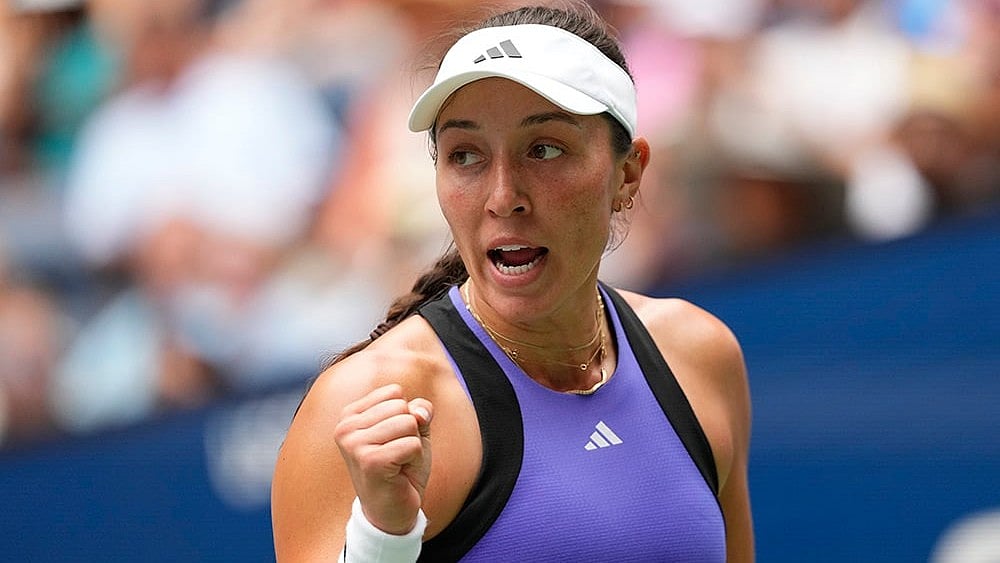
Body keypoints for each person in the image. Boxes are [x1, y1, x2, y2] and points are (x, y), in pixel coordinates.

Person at [271, 3, 754, 562]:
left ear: (628, 174)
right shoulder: (369, 406)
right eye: (466, 155)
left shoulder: (700, 355)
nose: (503, 197)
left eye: (543, 149)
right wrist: (382, 541)